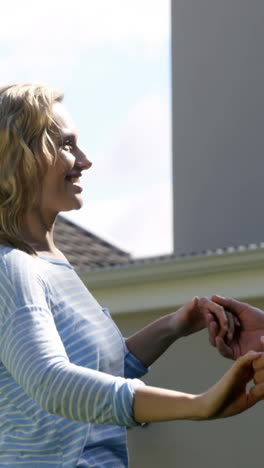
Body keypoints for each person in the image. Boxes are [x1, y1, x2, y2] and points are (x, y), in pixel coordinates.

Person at [0, 83, 263, 468]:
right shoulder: (11, 266)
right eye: (66, 145)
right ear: (18, 159)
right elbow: (53, 384)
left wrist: (175, 325)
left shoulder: (52, 265)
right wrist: (198, 405)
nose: (85, 161)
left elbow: (95, 376)